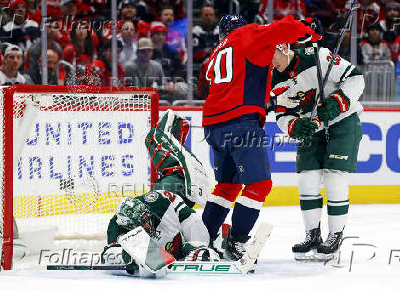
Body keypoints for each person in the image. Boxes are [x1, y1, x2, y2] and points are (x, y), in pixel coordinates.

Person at [200, 14, 323, 261]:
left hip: (213, 125)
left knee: (226, 186)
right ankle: (236, 243)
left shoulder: (215, 54)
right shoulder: (248, 34)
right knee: (259, 185)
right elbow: (284, 27)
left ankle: (201, 240)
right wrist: (309, 31)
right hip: (241, 124)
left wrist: (268, 101)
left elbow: (234, 84)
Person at [270, 43, 364, 260]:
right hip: (312, 127)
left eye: (271, 55)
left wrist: (336, 102)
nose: (270, 63)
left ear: (283, 48)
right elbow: (283, 114)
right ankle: (312, 234)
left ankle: (335, 234)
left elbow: (356, 78)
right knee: (307, 180)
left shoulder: (319, 55)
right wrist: (294, 126)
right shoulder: (274, 78)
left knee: (334, 179)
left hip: (342, 121)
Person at [102, 110, 216, 277]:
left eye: (146, 218)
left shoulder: (158, 203)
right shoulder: (118, 227)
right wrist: (128, 256)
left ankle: (162, 134)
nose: (148, 223)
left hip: (173, 196)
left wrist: (199, 246)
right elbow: (107, 255)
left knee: (179, 178)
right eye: (143, 223)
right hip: (171, 249)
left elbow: (188, 217)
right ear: (132, 227)